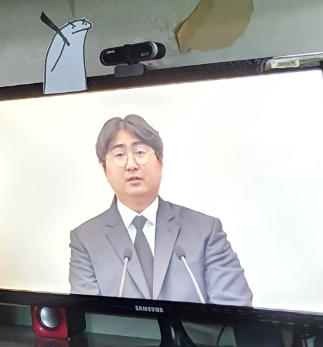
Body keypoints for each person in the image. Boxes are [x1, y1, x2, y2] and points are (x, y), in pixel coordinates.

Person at [68, 114, 252, 306]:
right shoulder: (86, 240)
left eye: (140, 152)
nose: (131, 165)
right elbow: (90, 314)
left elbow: (234, 307)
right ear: (105, 169)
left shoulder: (205, 230)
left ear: (160, 161)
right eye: (119, 155)